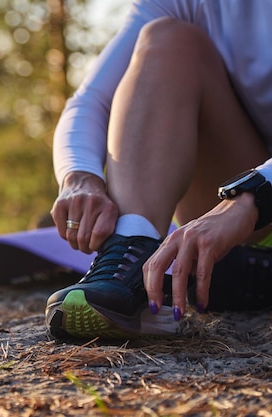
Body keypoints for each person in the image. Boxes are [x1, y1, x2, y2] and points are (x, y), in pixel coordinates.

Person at [45, 0, 272, 340]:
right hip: (246, 206)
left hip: (253, 202)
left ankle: (248, 271)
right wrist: (80, 177)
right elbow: (91, 101)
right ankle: (133, 254)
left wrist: (252, 197)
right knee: (167, 39)